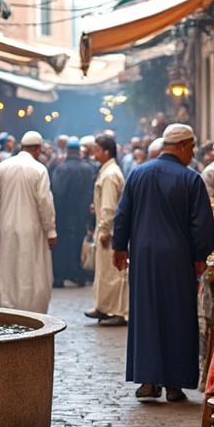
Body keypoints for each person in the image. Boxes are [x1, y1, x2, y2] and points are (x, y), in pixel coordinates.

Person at [113, 123, 214, 402]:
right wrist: (200, 256)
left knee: (146, 314)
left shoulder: (137, 174)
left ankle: (147, 382)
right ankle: (174, 385)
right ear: (182, 146)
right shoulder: (190, 179)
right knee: (178, 316)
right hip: (177, 257)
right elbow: (202, 225)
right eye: (192, 148)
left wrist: (119, 247)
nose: (192, 154)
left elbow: (122, 215)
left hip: (144, 256)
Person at [0, 131, 57, 312]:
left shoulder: (3, 166)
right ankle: (31, 309)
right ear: (38, 149)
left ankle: (8, 306)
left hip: (7, 226)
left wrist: (1, 212)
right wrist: (51, 230)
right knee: (31, 268)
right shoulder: (39, 169)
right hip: (33, 227)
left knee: (8, 267)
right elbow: (44, 202)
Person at [86, 133, 128, 326]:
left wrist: (105, 230)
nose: (93, 153)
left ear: (106, 152)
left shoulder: (110, 174)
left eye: (96, 149)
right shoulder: (108, 171)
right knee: (104, 272)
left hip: (109, 231)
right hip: (105, 227)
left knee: (112, 274)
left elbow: (109, 207)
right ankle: (103, 306)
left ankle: (116, 311)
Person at [50, 140, 95, 288]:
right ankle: (79, 275)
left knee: (61, 246)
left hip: (63, 215)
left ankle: (59, 277)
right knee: (78, 245)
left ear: (67, 151)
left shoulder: (61, 169)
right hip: (82, 214)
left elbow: (57, 193)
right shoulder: (88, 169)